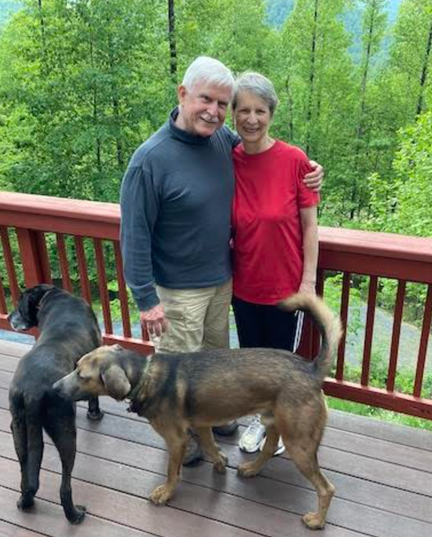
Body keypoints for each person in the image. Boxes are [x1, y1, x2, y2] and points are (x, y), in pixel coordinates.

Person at [119, 57, 322, 465]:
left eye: (221, 103)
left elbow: (261, 145)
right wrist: (145, 297)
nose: (214, 111)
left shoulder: (220, 140)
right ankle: (184, 439)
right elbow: (134, 234)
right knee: (174, 370)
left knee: (214, 364)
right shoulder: (150, 159)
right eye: (205, 99)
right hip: (176, 290)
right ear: (182, 95)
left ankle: (213, 419)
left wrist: (312, 169)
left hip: (222, 281)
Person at [230, 72, 320, 457]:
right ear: (232, 113)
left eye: (260, 111)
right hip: (243, 286)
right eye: (244, 110)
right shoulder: (226, 159)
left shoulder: (294, 160)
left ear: (271, 113)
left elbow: (310, 226)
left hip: (286, 291)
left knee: (283, 370)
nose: (252, 119)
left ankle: (281, 429)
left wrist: (308, 285)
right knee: (253, 367)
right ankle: (262, 422)